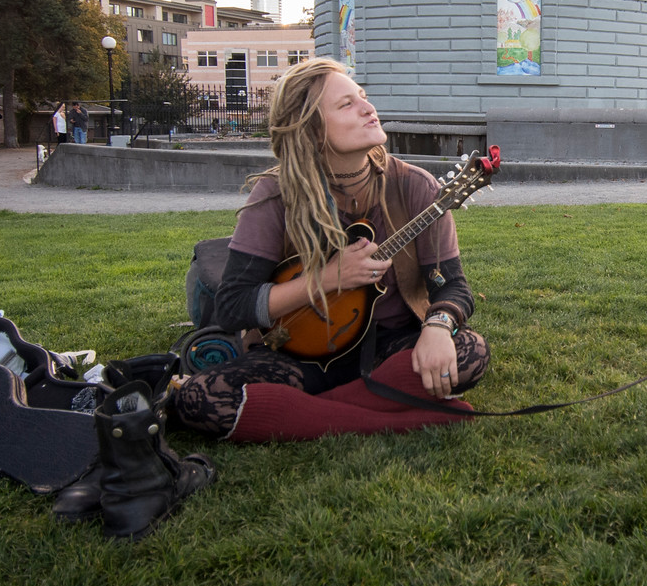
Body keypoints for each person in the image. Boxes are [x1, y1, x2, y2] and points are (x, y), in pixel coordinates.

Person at [174, 58, 487, 442]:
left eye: (364, 98)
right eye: (346, 105)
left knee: (469, 351)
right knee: (198, 398)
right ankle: (386, 413)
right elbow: (233, 306)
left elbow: (452, 286)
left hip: (390, 346)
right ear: (311, 129)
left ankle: (303, 410)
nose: (369, 109)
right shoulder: (276, 195)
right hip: (300, 354)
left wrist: (438, 327)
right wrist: (328, 278)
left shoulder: (416, 187)